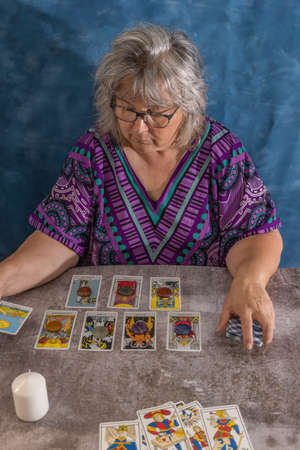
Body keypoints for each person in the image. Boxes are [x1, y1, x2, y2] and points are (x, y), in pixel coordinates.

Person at [0, 24, 282, 350]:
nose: (139, 126)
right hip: (108, 324)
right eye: (127, 109)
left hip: (201, 322)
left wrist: (250, 281)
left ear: (188, 105)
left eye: (157, 113)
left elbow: (254, 233)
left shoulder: (221, 151)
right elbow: (57, 238)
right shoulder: (94, 152)